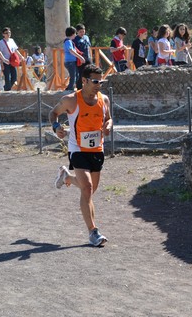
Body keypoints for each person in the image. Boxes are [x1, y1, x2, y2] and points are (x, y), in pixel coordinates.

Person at [48, 63, 113, 247]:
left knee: (90, 190)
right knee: (87, 189)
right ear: (84, 81)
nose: (99, 85)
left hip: (97, 150)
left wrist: (108, 125)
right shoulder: (71, 100)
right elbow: (53, 113)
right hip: (77, 148)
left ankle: (66, 177)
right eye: (95, 81)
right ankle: (93, 232)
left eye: (101, 81)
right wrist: (56, 127)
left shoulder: (104, 100)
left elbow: (108, 118)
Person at [0, 27, 24, 91]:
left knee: (14, 78)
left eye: (9, 32)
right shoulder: (1, 42)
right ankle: (7, 90)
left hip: (13, 61)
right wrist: (3, 60)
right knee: (7, 78)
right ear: (3, 34)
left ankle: (5, 89)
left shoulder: (12, 40)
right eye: (6, 33)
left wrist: (21, 56)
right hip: (6, 62)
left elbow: (15, 50)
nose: (8, 34)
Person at [63, 26, 86, 91]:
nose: (75, 35)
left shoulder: (69, 41)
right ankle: (70, 90)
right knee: (73, 77)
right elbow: (71, 51)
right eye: (75, 33)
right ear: (72, 34)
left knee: (76, 76)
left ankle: (68, 89)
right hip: (70, 62)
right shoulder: (68, 41)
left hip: (72, 62)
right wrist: (80, 57)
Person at [74, 24, 92, 90]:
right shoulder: (75, 39)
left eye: (83, 31)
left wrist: (91, 56)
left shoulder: (86, 37)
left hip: (88, 58)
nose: (82, 33)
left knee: (90, 72)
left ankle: (89, 87)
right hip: (80, 59)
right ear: (77, 32)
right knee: (80, 74)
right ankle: (79, 89)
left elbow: (89, 47)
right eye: (80, 31)